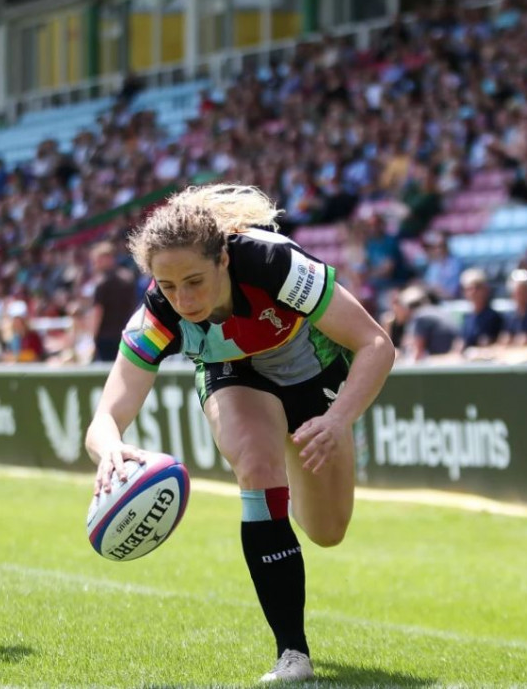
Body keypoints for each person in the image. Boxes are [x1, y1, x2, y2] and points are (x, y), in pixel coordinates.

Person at [85, 185, 394, 684]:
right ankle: (292, 654)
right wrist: (110, 450)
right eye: (168, 286)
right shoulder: (159, 311)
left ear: (224, 259)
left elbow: (376, 344)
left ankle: (284, 484)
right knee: (255, 463)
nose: (183, 300)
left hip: (314, 375)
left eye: (194, 282)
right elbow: (104, 419)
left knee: (328, 530)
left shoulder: (274, 264)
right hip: (233, 376)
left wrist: (338, 421)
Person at [88, 240, 137, 362]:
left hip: (105, 338)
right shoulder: (128, 278)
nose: (95, 263)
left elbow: (98, 312)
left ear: (108, 258)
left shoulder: (101, 283)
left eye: (98, 259)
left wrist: (92, 338)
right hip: (127, 335)